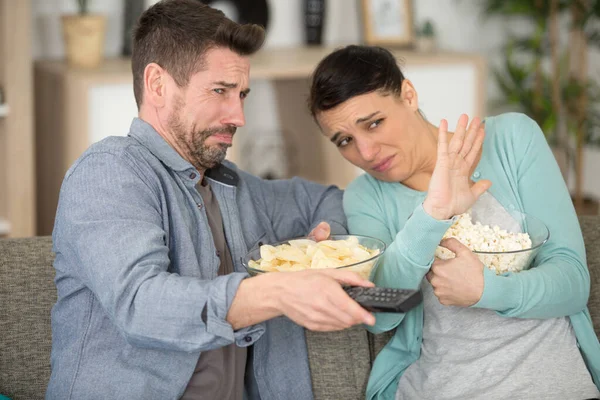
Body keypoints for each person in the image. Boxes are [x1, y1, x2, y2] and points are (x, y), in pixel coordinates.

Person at [45, 2, 376, 399]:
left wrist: (328, 245)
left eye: (242, 95)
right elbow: (141, 304)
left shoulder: (234, 187)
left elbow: (325, 200)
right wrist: (280, 291)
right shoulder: (110, 172)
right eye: (219, 91)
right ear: (158, 85)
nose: (238, 116)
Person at [308, 45, 600, 400]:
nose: (366, 153)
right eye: (345, 140)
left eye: (374, 123)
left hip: (549, 383)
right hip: (441, 386)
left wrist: (486, 291)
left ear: (409, 95)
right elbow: (382, 315)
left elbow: (572, 282)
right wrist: (433, 213)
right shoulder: (366, 196)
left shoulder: (511, 140)